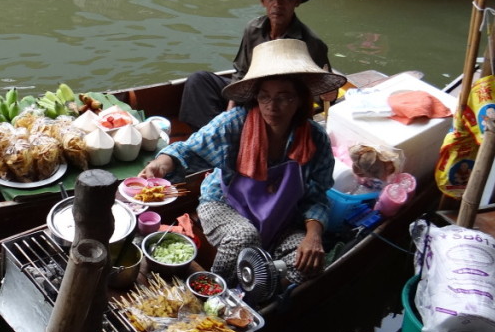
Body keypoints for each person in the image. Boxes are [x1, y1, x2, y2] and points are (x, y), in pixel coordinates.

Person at [141, 38, 347, 285]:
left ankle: (256, 288)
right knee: (243, 237)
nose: (272, 106)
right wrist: (160, 165)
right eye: (264, 97)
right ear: (256, 98)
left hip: (282, 217)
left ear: (301, 100)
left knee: (309, 264)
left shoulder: (315, 139)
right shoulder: (234, 124)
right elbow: (187, 151)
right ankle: (214, 292)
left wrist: (314, 235)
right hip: (223, 205)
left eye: (284, 97)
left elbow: (317, 196)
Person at [178, 0, 332, 131]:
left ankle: (230, 136)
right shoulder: (253, 29)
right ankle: (220, 136)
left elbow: (323, 92)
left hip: (279, 106)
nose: (277, 4)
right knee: (198, 81)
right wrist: (230, 110)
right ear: (262, 1)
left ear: (296, 1)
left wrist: (327, 96)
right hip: (250, 93)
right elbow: (241, 73)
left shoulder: (310, 42)